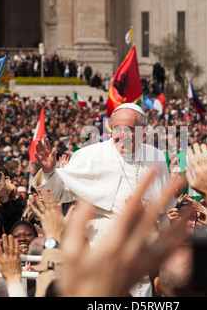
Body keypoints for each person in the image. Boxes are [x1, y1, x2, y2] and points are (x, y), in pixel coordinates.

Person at [33, 103, 174, 296]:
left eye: (130, 130)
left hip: (144, 251)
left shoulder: (156, 156)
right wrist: (50, 171)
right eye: (117, 128)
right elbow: (58, 192)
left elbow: (163, 212)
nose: (122, 135)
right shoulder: (90, 155)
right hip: (101, 249)